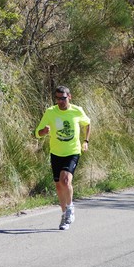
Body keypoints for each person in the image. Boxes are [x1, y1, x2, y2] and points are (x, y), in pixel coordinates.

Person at [35, 85, 90, 230]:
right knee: (59, 186)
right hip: (56, 153)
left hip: (72, 151)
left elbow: (87, 123)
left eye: (63, 98)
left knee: (65, 181)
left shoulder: (77, 110)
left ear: (69, 97)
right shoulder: (50, 112)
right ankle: (64, 215)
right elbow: (37, 132)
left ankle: (70, 207)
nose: (60, 101)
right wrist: (44, 131)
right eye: (58, 98)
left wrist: (85, 141)